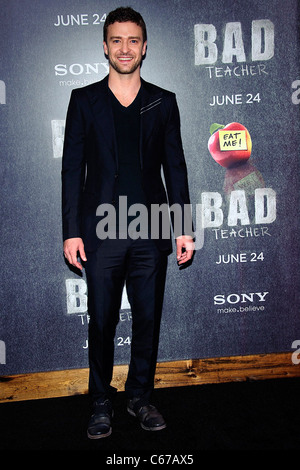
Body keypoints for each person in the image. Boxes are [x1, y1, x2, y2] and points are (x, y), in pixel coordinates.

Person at [62, 7, 194, 439]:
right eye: (116, 40)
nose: (125, 48)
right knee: (101, 320)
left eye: (133, 40)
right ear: (105, 46)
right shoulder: (84, 100)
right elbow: (72, 170)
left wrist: (183, 227)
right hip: (100, 231)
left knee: (147, 319)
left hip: (152, 228)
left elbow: (175, 168)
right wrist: (71, 230)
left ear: (144, 47)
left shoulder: (163, 100)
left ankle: (140, 397)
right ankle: (101, 401)